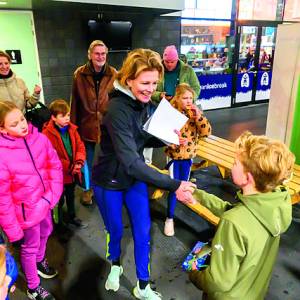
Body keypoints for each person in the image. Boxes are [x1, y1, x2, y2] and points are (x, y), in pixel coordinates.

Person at [92, 48, 196, 300]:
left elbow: (141, 136)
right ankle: (115, 265)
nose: (150, 89)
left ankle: (143, 285)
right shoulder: (117, 109)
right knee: (115, 231)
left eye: (154, 82)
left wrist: (171, 139)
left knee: (143, 231)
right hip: (109, 180)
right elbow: (129, 160)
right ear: (129, 80)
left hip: (133, 177)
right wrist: (174, 184)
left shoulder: (142, 104)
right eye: (144, 82)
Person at [188, 131, 295, 300]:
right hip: (253, 291)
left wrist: (194, 273)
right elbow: (235, 211)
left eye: (235, 163)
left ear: (247, 177)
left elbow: (218, 282)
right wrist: (198, 195)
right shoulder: (278, 202)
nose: (231, 166)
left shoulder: (233, 223)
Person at [0, 101, 63, 300]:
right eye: (14, 124)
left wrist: (51, 197)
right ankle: (33, 286)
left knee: (47, 231)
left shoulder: (40, 139)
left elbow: (54, 166)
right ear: (2, 129)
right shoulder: (2, 155)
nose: (22, 125)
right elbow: (3, 199)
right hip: (25, 215)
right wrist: (13, 230)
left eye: (22, 119)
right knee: (29, 247)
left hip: (44, 204)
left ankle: (39, 260)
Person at [70, 40, 117, 206]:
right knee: (86, 160)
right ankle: (87, 190)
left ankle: (107, 186)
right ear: (89, 54)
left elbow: (117, 101)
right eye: (97, 53)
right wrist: (72, 128)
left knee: (107, 158)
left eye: (103, 53)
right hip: (86, 125)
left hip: (107, 125)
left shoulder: (114, 74)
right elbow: (74, 102)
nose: (100, 56)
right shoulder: (79, 74)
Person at [164, 83, 211, 237]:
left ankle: (183, 208)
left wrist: (199, 117)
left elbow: (206, 132)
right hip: (174, 157)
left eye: (191, 98)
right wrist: (173, 141)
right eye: (185, 98)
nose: (189, 101)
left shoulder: (194, 112)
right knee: (174, 186)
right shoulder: (170, 113)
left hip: (189, 156)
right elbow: (161, 134)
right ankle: (169, 218)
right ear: (177, 98)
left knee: (184, 186)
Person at [43, 99, 87, 229]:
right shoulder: (46, 134)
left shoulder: (72, 129)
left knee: (71, 194)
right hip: (58, 175)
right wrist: (71, 167)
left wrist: (79, 162)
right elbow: (52, 157)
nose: (67, 118)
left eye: (68, 115)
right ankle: (58, 223)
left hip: (72, 173)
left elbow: (80, 146)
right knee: (59, 200)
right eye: (63, 116)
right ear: (53, 117)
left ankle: (72, 217)